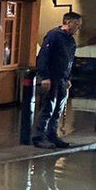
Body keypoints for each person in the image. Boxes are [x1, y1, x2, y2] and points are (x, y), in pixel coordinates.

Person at [32, 11, 82, 149]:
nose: (78, 28)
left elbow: (70, 60)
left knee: (58, 109)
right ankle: (39, 137)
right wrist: (45, 77)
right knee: (48, 108)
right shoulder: (54, 35)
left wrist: (68, 78)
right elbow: (44, 56)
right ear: (68, 22)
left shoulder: (70, 40)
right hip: (52, 77)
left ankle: (52, 135)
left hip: (62, 79)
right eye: (76, 24)